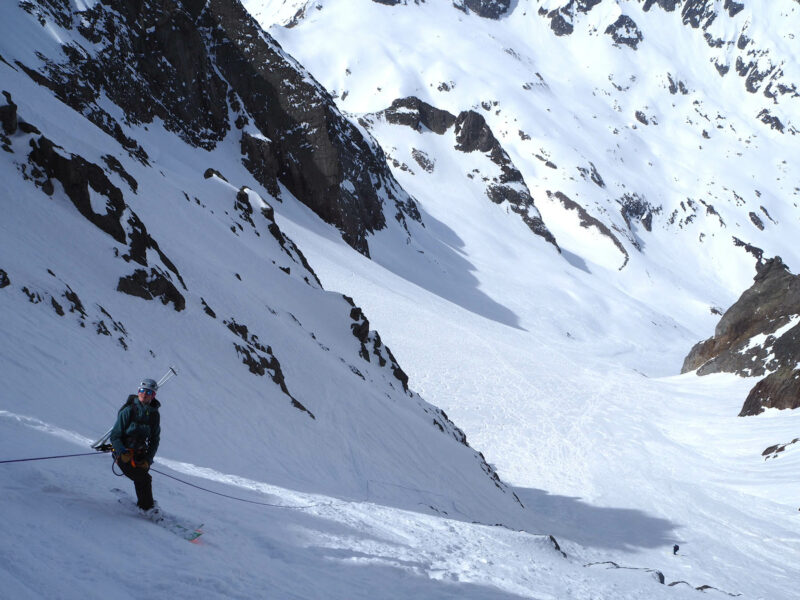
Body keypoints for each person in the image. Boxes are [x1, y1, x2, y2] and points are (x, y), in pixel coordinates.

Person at [110, 378, 161, 517]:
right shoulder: (128, 411)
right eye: (142, 390)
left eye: (149, 392)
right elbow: (114, 436)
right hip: (123, 454)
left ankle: (145, 504)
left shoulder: (154, 415)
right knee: (143, 479)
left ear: (153, 395)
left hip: (139, 455)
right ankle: (147, 508)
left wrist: (148, 459)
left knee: (143, 478)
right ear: (138, 391)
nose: (145, 394)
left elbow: (154, 440)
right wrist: (121, 452)